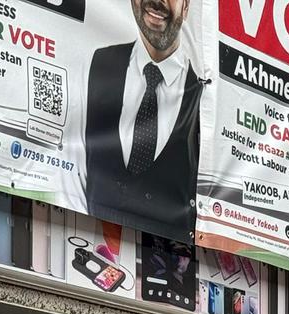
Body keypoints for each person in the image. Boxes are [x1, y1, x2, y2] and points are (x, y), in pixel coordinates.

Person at [78, 0, 202, 242]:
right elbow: (74, 171)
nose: (158, 2)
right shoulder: (96, 64)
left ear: (186, 7)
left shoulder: (203, 98)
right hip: (89, 239)